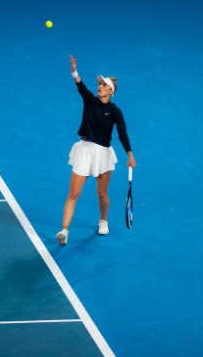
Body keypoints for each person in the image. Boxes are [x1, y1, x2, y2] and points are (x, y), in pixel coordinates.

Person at [56, 55, 136, 245]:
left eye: (103, 85)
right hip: (84, 150)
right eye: (99, 84)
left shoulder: (115, 111)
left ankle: (103, 220)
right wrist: (74, 71)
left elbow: (122, 134)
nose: (99, 86)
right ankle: (64, 231)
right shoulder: (90, 101)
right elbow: (80, 85)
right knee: (73, 194)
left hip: (103, 154)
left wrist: (130, 154)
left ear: (111, 91)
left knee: (101, 194)